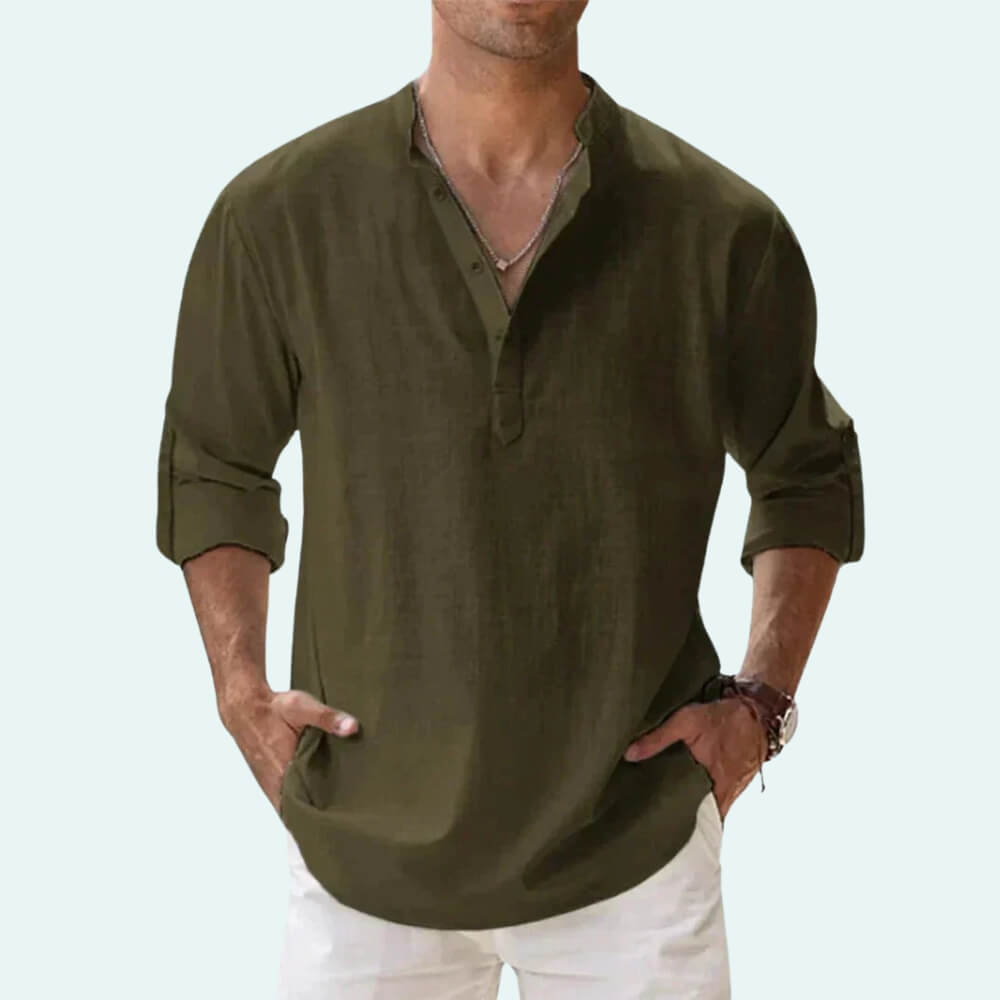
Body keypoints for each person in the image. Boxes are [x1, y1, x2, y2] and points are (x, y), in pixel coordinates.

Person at [154, 1, 865, 996]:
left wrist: (760, 706)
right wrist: (241, 693)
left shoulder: (721, 228)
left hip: (634, 855)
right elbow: (215, 464)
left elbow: (807, 475)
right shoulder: (281, 215)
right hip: (362, 855)